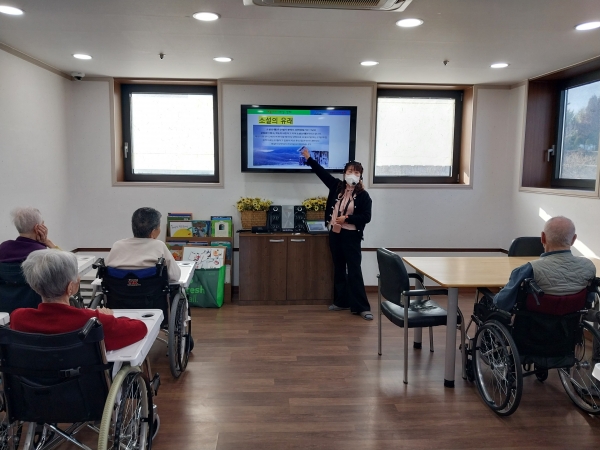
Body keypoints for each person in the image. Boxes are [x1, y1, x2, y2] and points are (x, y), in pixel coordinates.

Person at [11, 249, 147, 351]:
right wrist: (109, 318)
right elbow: (140, 328)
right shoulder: (94, 322)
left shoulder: (19, 318)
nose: (79, 278)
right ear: (70, 287)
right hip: (85, 381)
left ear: (35, 286)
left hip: (33, 381)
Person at [301, 147, 373, 320]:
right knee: (339, 268)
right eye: (350, 171)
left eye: (356, 172)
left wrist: (347, 218)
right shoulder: (336, 187)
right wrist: (309, 159)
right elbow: (322, 173)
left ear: (360, 176)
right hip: (335, 234)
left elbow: (366, 217)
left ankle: (362, 307)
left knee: (354, 270)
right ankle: (341, 301)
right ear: (344, 173)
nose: (352, 174)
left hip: (351, 236)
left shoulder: (364, 196)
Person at [493, 216, 596, 311]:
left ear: (543, 237)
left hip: (532, 323)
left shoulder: (528, 269)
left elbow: (502, 303)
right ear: (573, 239)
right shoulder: (589, 267)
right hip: (571, 323)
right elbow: (589, 300)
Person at [106, 207, 181, 283]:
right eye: (159, 227)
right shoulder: (159, 246)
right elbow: (174, 276)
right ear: (153, 232)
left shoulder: (118, 245)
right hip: (152, 290)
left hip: (118, 290)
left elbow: (105, 273)